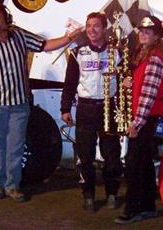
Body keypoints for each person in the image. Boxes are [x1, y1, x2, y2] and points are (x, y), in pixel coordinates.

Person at [0, 4, 81, 202]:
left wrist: (68, 37)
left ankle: (12, 185)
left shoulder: (20, 37)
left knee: (16, 145)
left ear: (7, 19)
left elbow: (45, 45)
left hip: (19, 105)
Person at [61, 12, 122, 212]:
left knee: (111, 156)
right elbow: (69, 83)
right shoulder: (78, 53)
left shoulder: (117, 53)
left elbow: (123, 84)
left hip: (108, 108)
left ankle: (112, 193)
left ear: (105, 29)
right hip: (85, 109)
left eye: (96, 26)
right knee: (85, 156)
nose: (91, 30)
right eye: (88, 26)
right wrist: (65, 108)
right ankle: (88, 194)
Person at [114, 15, 163, 224]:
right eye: (142, 31)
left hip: (144, 119)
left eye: (148, 31)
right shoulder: (145, 56)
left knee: (134, 164)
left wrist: (135, 123)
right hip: (146, 118)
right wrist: (130, 81)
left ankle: (133, 208)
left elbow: (147, 96)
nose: (143, 34)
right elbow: (142, 87)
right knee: (143, 162)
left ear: (156, 36)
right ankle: (147, 206)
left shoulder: (154, 59)